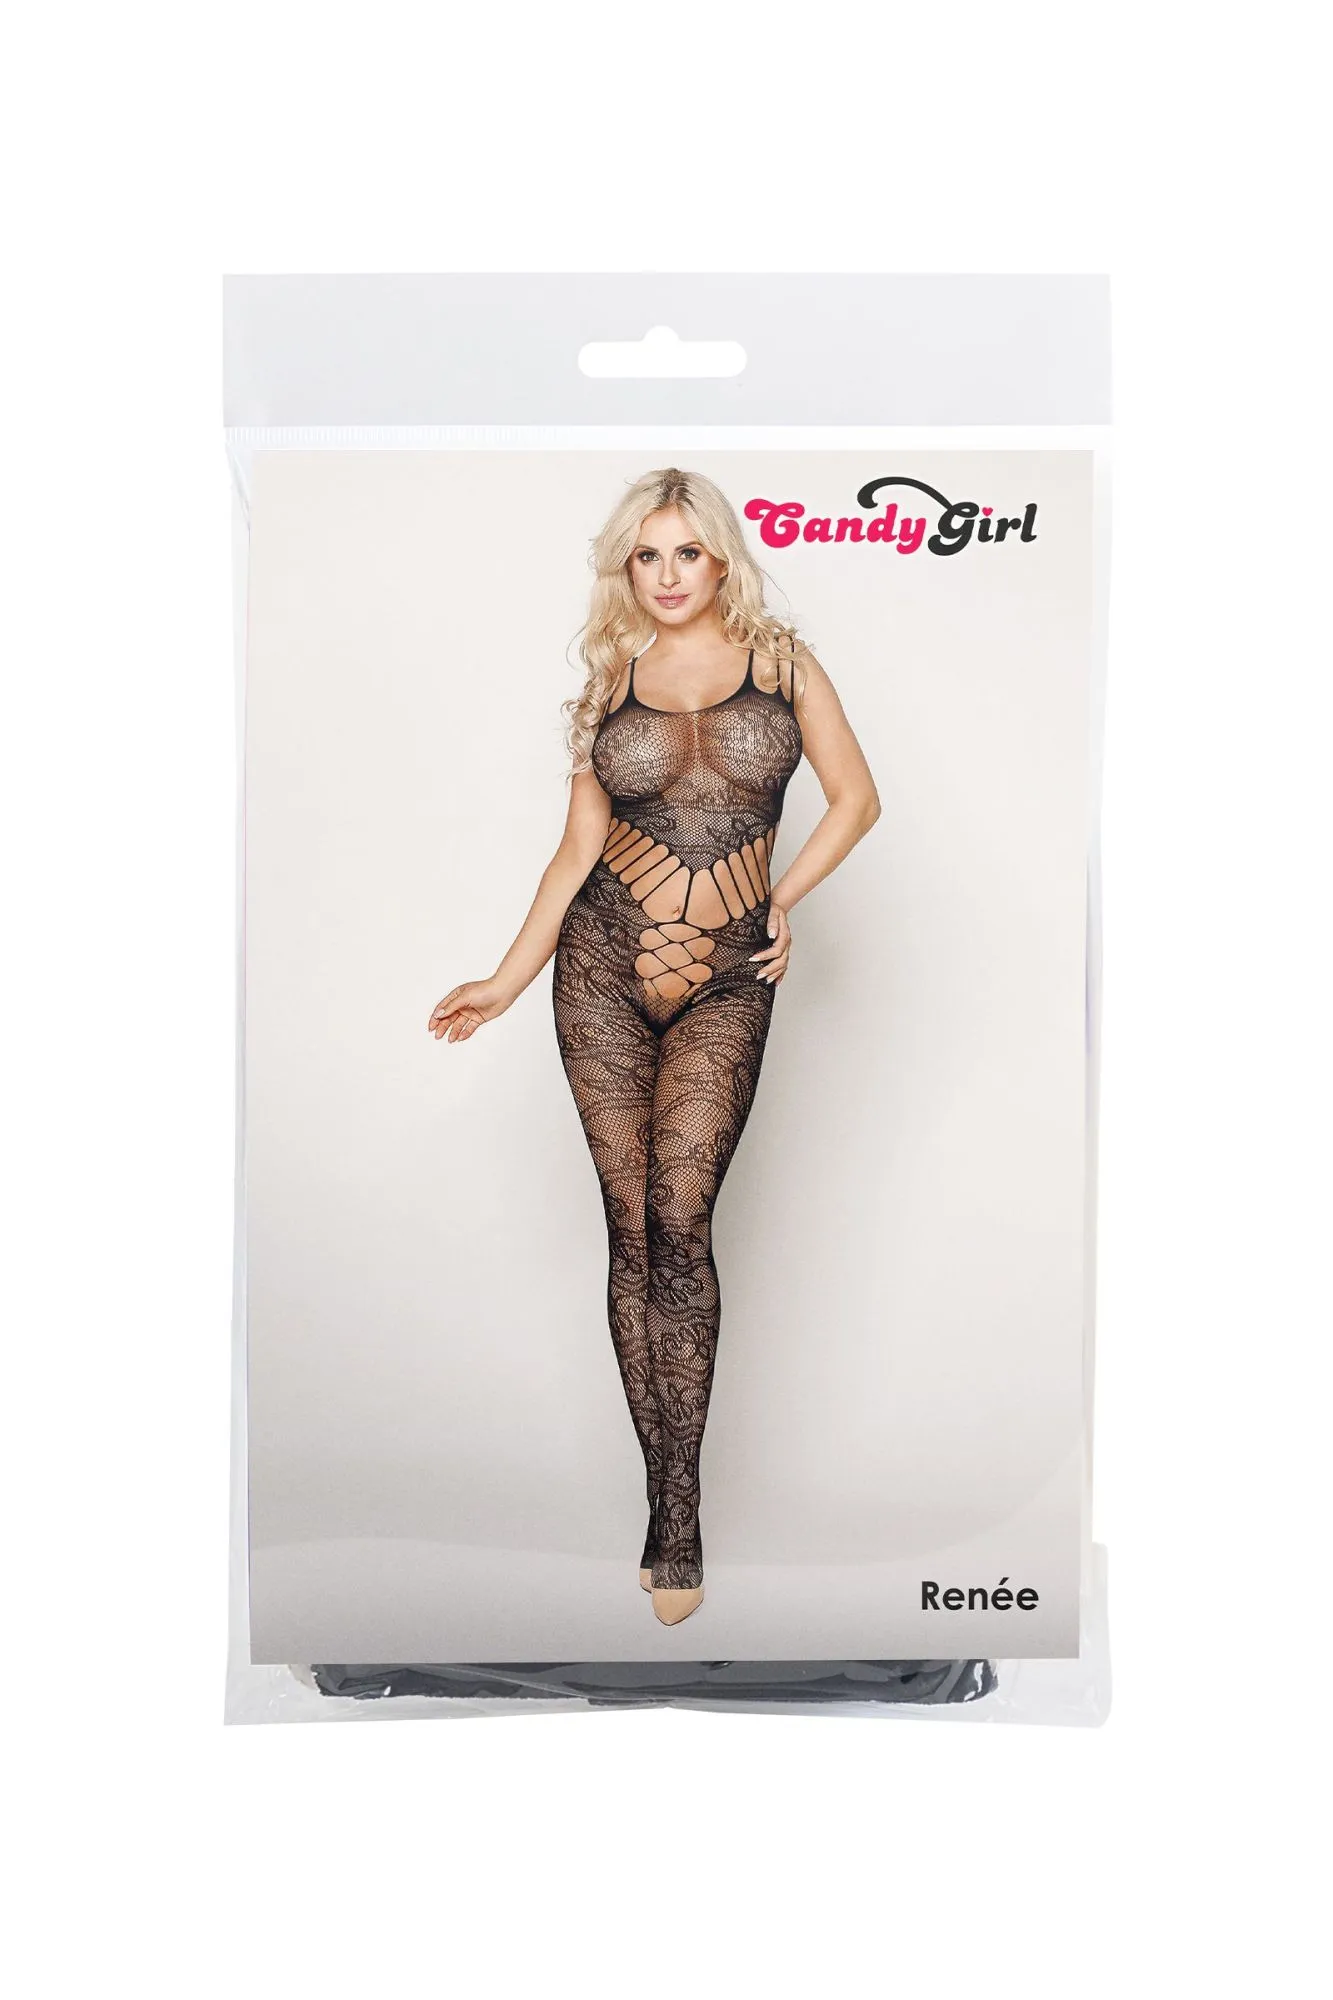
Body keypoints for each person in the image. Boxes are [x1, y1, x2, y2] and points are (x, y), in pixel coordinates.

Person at [429, 468, 880, 1625]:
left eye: (687, 552)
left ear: (721, 558)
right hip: (600, 969)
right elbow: (575, 850)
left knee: (681, 1215)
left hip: (726, 972)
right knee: (631, 1227)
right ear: (624, 568)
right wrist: (504, 978)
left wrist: (781, 899)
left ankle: (678, 1504)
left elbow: (855, 798)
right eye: (646, 555)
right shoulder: (610, 682)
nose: (668, 574)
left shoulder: (784, 665)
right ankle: (668, 1510)